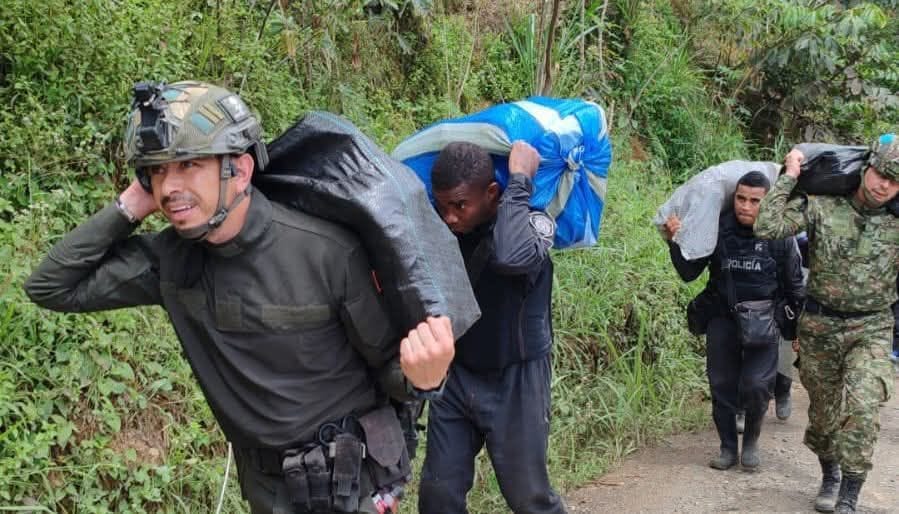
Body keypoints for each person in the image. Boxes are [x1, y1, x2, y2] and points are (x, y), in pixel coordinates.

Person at [24, 81, 456, 514]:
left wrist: (425, 377)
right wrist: (130, 206)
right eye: (155, 171)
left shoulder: (327, 252)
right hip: (267, 489)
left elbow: (389, 369)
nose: (169, 187)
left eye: (188, 164)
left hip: (351, 485)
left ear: (241, 170)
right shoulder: (169, 261)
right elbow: (52, 286)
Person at [417, 141, 567, 514]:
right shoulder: (447, 231)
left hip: (516, 380)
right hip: (458, 378)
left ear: (491, 194)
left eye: (460, 205)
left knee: (528, 497)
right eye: (443, 205)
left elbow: (510, 257)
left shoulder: (532, 225)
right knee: (438, 496)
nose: (449, 216)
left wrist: (519, 182)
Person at [754, 134, 899, 513]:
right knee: (823, 414)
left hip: (872, 327)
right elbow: (766, 227)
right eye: (880, 174)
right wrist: (789, 175)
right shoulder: (822, 205)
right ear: (866, 167)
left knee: (864, 405)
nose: (883, 185)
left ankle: (851, 492)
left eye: (894, 181)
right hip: (819, 326)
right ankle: (829, 474)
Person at [664, 171, 804, 472]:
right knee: (722, 386)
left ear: (767, 204)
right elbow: (689, 273)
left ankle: (751, 441)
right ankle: (728, 447)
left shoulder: (780, 238)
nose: (745, 206)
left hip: (764, 323)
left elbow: (795, 288)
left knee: (755, 386)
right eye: (740, 198)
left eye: (755, 201)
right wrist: (675, 240)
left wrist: (797, 333)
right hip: (722, 318)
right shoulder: (718, 228)